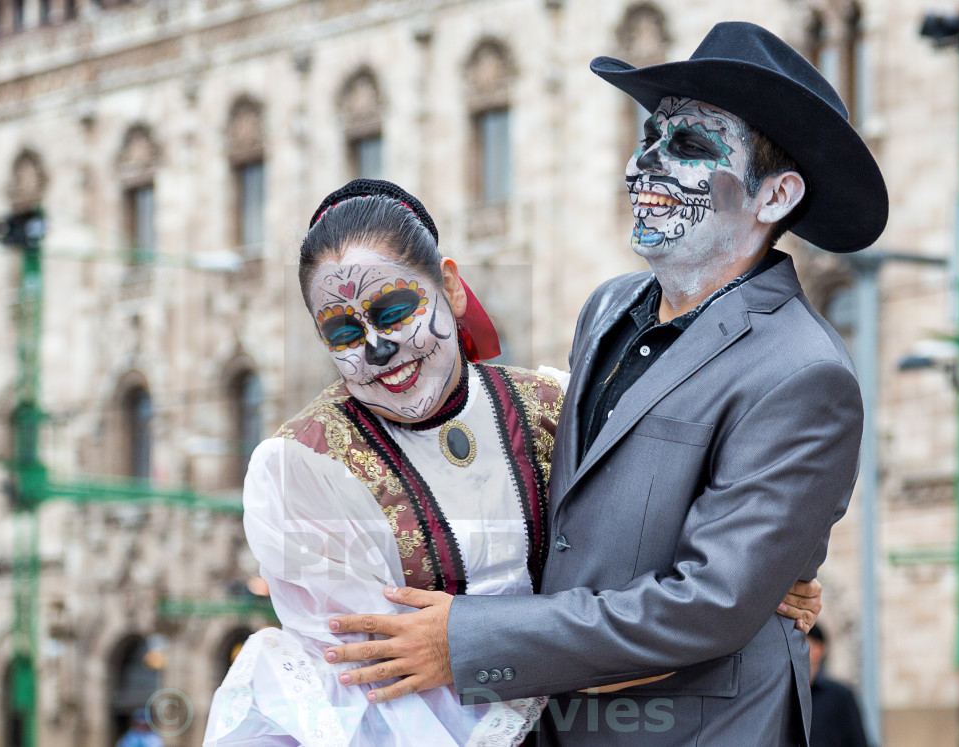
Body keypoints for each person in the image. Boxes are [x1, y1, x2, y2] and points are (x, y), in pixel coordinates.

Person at [324, 22, 885, 746]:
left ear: (774, 195)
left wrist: (466, 644)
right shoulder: (609, 308)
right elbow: (569, 523)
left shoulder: (804, 372)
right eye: (647, 137)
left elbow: (706, 604)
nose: (638, 167)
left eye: (685, 147)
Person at [202, 178, 820, 746]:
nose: (378, 348)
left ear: (447, 284)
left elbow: (653, 556)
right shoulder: (303, 467)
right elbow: (393, 683)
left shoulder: (559, 403)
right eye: (342, 331)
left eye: (393, 311)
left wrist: (745, 585)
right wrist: (714, 616)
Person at [809, 625, 868, 747]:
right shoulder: (783, 694)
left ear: (819, 649)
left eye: (803, 643)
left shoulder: (840, 696)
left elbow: (857, 741)